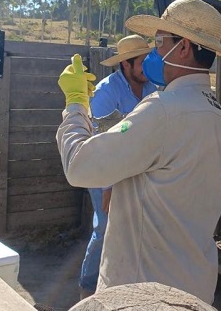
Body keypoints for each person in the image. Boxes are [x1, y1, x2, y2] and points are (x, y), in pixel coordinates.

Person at [56, 0, 221, 304]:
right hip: (193, 287)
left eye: (159, 42)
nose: (153, 53)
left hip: (143, 293)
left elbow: (79, 166)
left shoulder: (163, 110)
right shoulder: (216, 115)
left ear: (183, 48)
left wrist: (75, 104)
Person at [79, 35, 156, 300]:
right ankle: (87, 288)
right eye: (143, 62)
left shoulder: (152, 89)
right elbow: (99, 144)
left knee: (134, 227)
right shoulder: (106, 92)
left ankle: (122, 287)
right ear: (126, 64)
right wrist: (108, 187)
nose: (147, 67)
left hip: (133, 169)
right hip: (104, 170)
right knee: (105, 227)